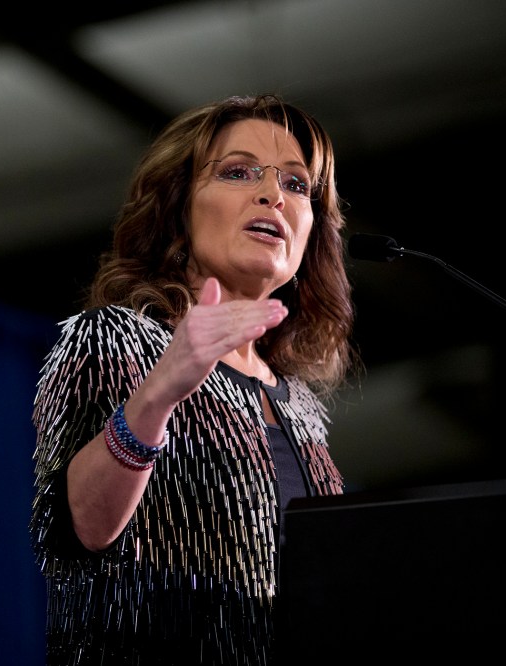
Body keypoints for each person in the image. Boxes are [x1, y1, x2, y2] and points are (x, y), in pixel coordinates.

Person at [30, 94, 358, 665]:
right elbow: (77, 529)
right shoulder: (112, 340)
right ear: (177, 208)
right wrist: (160, 393)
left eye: (298, 184)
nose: (272, 195)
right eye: (238, 172)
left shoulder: (300, 400)